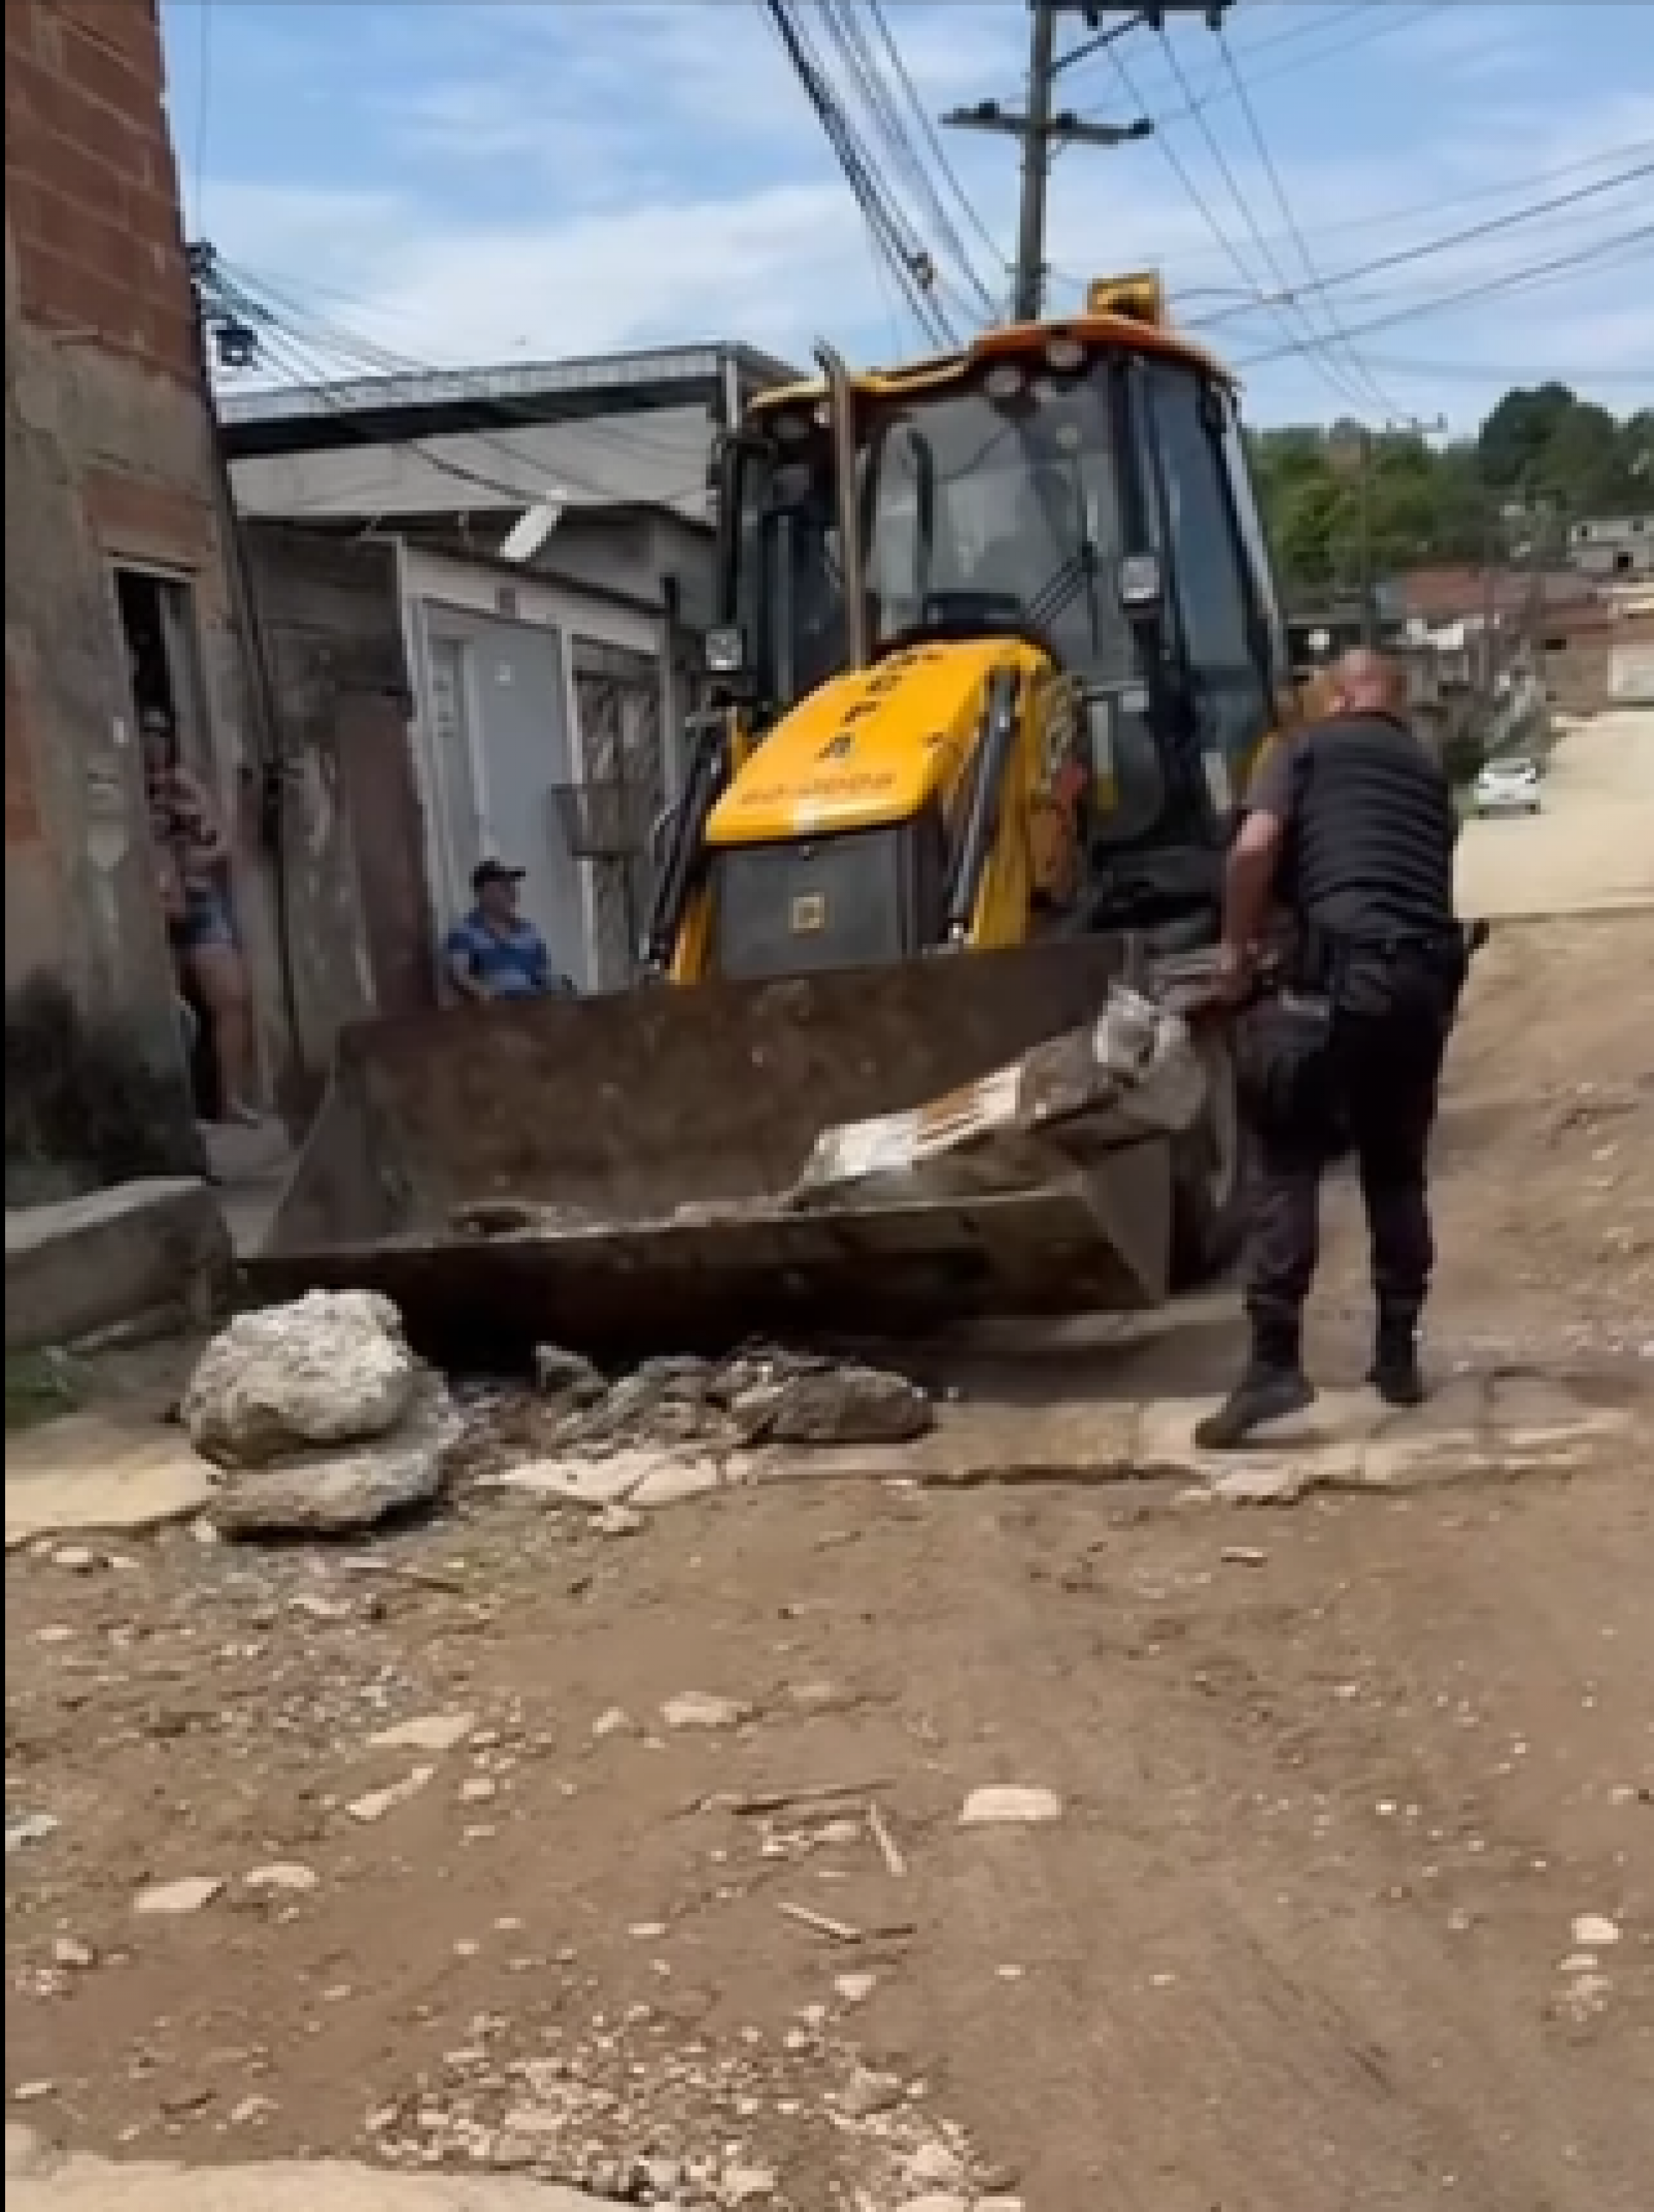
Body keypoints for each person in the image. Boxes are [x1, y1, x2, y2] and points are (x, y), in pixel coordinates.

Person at [1197, 648, 1468, 1449]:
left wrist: (1235, 954)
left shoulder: (1305, 750)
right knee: (1395, 1168)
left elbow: (1252, 852)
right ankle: (1395, 1357)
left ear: (1340, 696)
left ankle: (1275, 1366)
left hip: (1337, 982)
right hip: (1424, 987)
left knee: (1285, 1157)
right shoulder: (1426, 776)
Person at [142, 707, 262, 1127]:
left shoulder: (184, 785)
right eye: (146, 734)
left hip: (199, 900)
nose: (153, 743)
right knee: (169, 1013)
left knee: (231, 999)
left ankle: (230, 1100)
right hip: (149, 908)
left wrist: (197, 858)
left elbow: (222, 842)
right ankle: (177, 1110)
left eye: (160, 734)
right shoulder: (122, 783)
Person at [445, 859, 575, 1003]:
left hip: (533, 1012)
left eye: (513, 886)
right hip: (489, 1017)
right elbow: (458, 977)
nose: (513, 892)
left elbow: (545, 974)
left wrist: (561, 989)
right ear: (483, 893)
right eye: (504, 887)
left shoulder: (528, 931)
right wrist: (492, 1000)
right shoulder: (464, 932)